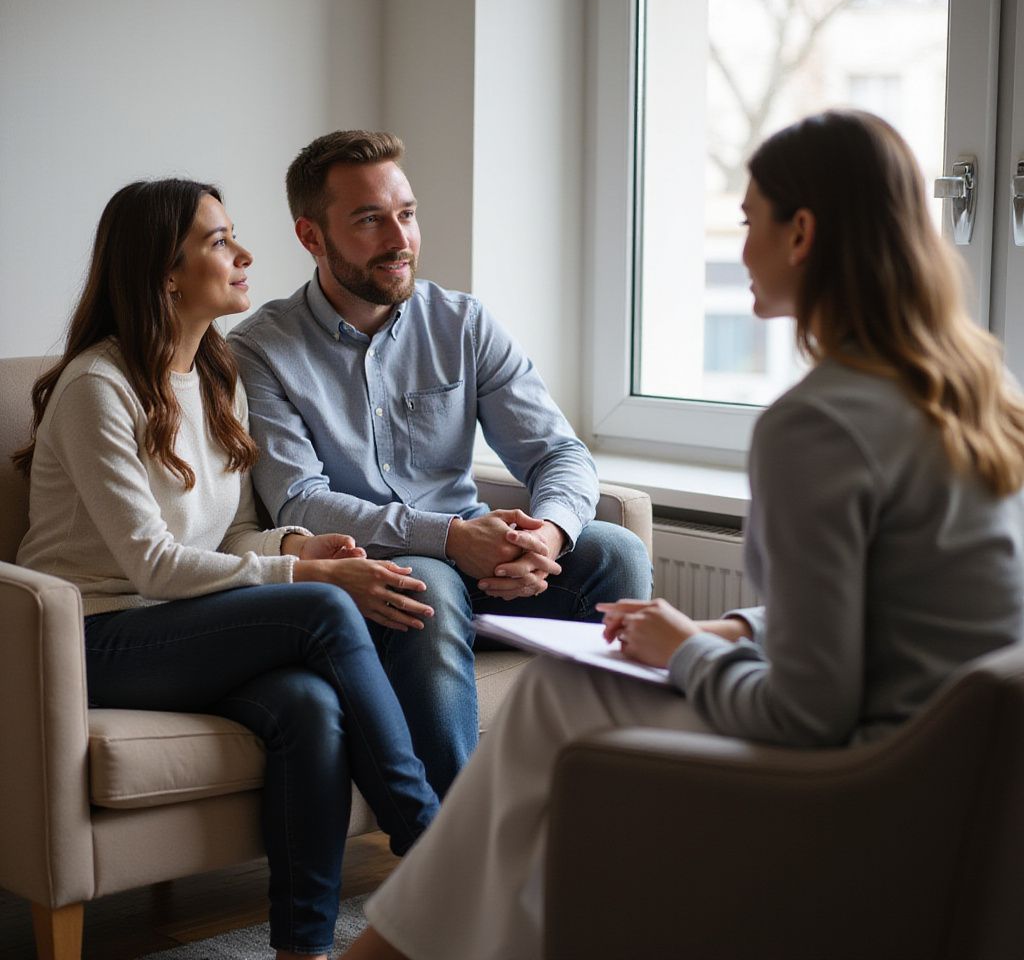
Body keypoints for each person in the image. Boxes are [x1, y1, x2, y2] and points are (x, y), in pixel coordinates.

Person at [339, 109, 1024, 960]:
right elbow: (904, 605)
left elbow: (805, 714)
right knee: (565, 692)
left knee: (561, 701)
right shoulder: (974, 392)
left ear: (801, 232)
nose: (740, 249)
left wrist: (685, 656)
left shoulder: (817, 427)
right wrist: (729, 629)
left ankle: (397, 947)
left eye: (748, 222)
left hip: (866, 779)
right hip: (949, 769)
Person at [14, 179, 442, 960]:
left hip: (177, 628)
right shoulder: (97, 390)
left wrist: (294, 548)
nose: (245, 255)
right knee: (322, 612)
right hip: (92, 639)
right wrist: (304, 583)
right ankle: (432, 840)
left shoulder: (217, 378)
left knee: (309, 703)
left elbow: (237, 530)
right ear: (165, 273)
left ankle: (301, 948)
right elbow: (149, 562)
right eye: (219, 241)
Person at [227, 130, 652, 797]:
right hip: (370, 568)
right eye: (369, 220)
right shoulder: (260, 349)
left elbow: (558, 452)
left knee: (615, 552)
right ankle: (451, 852)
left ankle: (605, 807)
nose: (400, 239)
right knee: (426, 585)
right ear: (312, 237)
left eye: (407, 213)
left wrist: (548, 534)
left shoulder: (461, 323)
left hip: (480, 558)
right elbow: (299, 502)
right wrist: (452, 539)